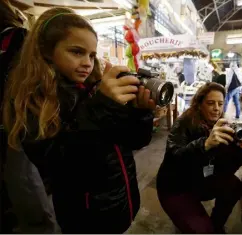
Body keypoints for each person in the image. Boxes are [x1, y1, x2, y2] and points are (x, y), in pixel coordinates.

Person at [3, 7, 155, 234]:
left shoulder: (94, 89)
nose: (87, 62)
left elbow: (135, 141)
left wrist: (140, 112)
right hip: (85, 218)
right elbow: (63, 165)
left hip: (121, 202)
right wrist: (101, 107)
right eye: (77, 52)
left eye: (92, 55)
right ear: (46, 51)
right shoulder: (35, 103)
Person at [156, 82, 242, 233]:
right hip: (175, 186)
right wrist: (205, 145)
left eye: (220, 104)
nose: (216, 108)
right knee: (202, 230)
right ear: (199, 104)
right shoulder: (184, 122)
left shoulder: (222, 126)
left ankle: (216, 225)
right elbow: (174, 159)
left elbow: (226, 169)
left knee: (234, 185)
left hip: (200, 180)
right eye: (210, 103)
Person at [0, 1, 58, 233]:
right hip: (19, 119)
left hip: (20, 119)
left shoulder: (18, 38)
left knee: (23, 178)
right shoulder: (18, 38)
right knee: (23, 178)